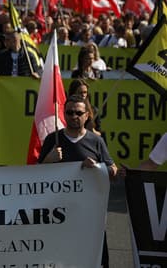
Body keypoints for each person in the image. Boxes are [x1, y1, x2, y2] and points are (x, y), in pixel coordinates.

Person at [38, 94, 117, 268]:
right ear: (64, 114)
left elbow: (113, 170)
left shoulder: (96, 141)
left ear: (87, 115)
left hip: (89, 214)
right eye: (69, 112)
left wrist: (97, 167)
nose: (74, 116)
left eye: (78, 113)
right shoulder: (53, 139)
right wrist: (47, 160)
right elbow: (36, 177)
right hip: (58, 214)